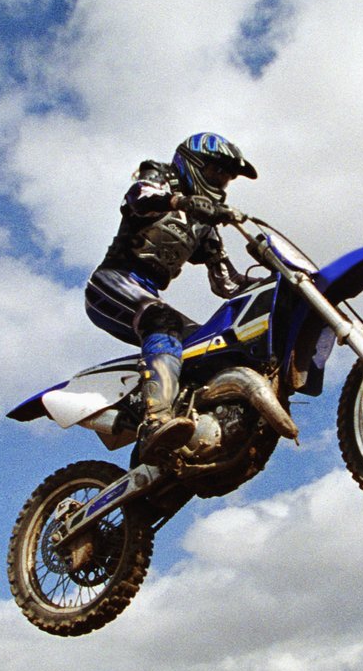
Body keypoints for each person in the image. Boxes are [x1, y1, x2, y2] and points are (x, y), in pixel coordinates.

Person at [85, 132, 257, 459]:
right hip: (112, 282)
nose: (221, 180)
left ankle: (187, 427)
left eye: (227, 176)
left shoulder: (205, 225)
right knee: (161, 321)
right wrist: (181, 201)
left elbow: (226, 283)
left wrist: (272, 280)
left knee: (213, 345)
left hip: (148, 293)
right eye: (216, 170)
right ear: (193, 164)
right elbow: (139, 198)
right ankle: (155, 419)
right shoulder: (161, 178)